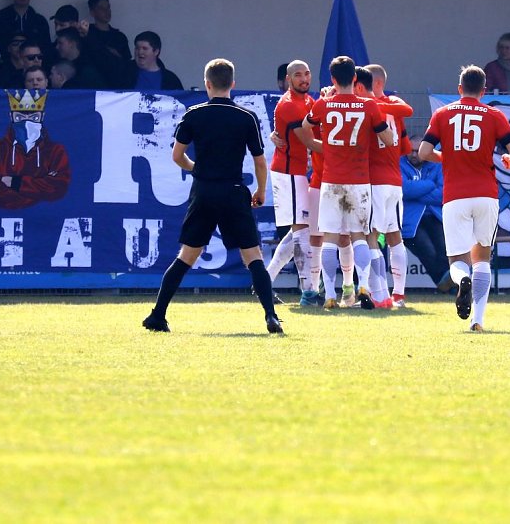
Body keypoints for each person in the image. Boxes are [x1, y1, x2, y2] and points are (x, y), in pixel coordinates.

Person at [142, 58, 282, 335]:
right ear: (233, 84)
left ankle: (158, 315)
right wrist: (260, 190)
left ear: (207, 84)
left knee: (186, 256)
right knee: (253, 257)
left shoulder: (194, 114)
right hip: (233, 190)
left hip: (204, 191)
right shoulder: (246, 117)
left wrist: (198, 169)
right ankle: (271, 315)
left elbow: (177, 156)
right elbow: (259, 161)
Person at [418, 65, 510, 332]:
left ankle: (462, 279)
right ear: (483, 91)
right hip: (486, 195)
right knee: (483, 259)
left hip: (455, 196)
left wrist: (446, 157)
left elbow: (423, 152)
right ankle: (478, 320)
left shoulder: (443, 114)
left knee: (458, 260)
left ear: (459, 89)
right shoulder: (494, 115)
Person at [298, 56, 393, 310]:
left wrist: (318, 146)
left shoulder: (323, 104)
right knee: (359, 235)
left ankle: (330, 294)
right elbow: (388, 138)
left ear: (332, 79)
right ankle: (363, 286)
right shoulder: (369, 105)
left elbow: (304, 127)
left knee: (329, 238)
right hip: (359, 180)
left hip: (331, 181)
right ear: (354, 78)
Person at [265, 60, 317, 305]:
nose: (304, 79)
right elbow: (309, 141)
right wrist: (343, 152)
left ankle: (264, 282)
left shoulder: (308, 101)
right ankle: (309, 292)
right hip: (288, 174)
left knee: (299, 230)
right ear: (288, 79)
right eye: (298, 75)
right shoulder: (289, 104)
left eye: (306, 74)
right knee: (301, 231)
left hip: (297, 173)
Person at [363, 63, 414, 308]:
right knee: (394, 238)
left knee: (371, 236)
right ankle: (399, 294)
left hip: (375, 181)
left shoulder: (367, 108)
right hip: (394, 180)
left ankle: (379, 293)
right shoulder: (394, 106)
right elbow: (406, 148)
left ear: (377, 83)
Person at [0, 88, 71, 209]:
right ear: (11, 117)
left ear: (42, 117)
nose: (27, 123)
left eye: (34, 118)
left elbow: (59, 187)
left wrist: (15, 183)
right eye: (20, 118)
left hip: (47, 215)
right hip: (6, 216)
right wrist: (40, 188)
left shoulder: (56, 151)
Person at [400, 135, 452, 292]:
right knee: (427, 250)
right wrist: (430, 184)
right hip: (410, 220)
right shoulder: (399, 163)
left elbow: (443, 194)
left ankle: (447, 286)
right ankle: (447, 286)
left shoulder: (437, 163)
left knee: (444, 250)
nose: (414, 155)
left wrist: (416, 191)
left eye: (418, 151)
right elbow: (404, 190)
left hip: (435, 216)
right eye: (411, 151)